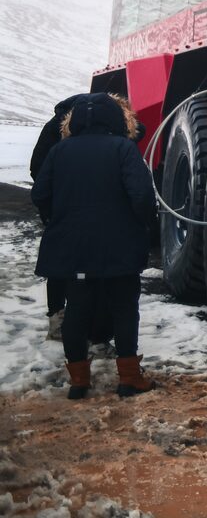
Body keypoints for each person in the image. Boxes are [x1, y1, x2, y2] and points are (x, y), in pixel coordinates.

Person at [32, 93, 158, 399]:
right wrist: (144, 224)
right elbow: (141, 195)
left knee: (76, 308)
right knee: (125, 306)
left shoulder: (60, 151)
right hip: (119, 244)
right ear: (116, 119)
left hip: (73, 246)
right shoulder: (124, 149)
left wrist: (56, 218)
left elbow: (40, 194)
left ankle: (79, 381)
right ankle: (129, 377)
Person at [30, 94, 87, 341]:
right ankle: (66, 318)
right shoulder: (61, 129)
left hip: (57, 208)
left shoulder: (57, 127)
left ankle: (59, 318)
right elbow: (38, 168)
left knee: (59, 264)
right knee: (75, 264)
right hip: (65, 208)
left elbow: (36, 168)